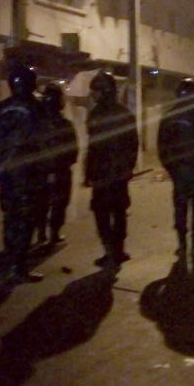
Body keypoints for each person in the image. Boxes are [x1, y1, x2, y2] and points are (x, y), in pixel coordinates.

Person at [0, 66, 46, 281]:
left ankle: (11, 263)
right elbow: (43, 141)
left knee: (10, 217)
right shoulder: (36, 108)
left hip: (6, 172)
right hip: (29, 173)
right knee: (25, 218)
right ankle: (18, 267)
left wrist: (1, 162)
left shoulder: (0, 108)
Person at [84, 70, 138, 268]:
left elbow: (93, 147)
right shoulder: (125, 114)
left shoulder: (96, 115)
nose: (93, 95)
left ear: (104, 92)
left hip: (102, 174)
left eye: (95, 91)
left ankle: (109, 252)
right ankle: (118, 250)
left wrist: (89, 173)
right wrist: (128, 168)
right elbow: (133, 144)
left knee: (103, 214)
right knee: (119, 212)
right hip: (118, 174)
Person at [158, 77, 194, 257]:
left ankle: (183, 246)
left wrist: (172, 169)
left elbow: (163, 148)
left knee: (181, 208)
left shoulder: (169, 116)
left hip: (181, 172)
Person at [35, 81, 77, 245]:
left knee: (40, 202)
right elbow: (73, 150)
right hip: (61, 170)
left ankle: (40, 233)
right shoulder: (65, 124)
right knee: (59, 203)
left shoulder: (36, 124)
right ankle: (54, 234)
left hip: (39, 171)